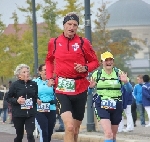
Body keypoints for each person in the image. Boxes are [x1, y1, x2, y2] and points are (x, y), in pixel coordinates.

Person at [45, 12, 99, 142]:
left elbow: (95, 62)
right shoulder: (54, 42)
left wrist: (85, 68)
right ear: (64, 25)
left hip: (80, 88)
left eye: (75, 25)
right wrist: (49, 77)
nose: (72, 27)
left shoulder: (83, 42)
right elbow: (48, 60)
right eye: (69, 24)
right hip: (62, 88)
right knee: (69, 127)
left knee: (75, 129)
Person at [89, 51, 133, 142]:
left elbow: (129, 90)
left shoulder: (119, 73)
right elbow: (89, 92)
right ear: (102, 62)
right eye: (106, 60)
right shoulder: (97, 74)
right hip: (101, 104)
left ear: (113, 61)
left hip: (117, 104)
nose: (109, 62)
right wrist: (90, 88)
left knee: (113, 134)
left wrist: (126, 82)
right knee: (108, 133)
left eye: (111, 60)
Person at [7, 64, 38, 142]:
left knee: (30, 134)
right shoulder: (14, 85)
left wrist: (37, 100)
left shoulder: (33, 84)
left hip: (30, 113)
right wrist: (17, 101)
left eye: (27, 71)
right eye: (24, 72)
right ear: (19, 75)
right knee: (19, 136)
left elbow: (35, 96)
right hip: (18, 114)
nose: (27, 73)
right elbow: (8, 98)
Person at [33, 64, 56, 142]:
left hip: (51, 108)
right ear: (40, 72)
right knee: (44, 131)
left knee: (49, 132)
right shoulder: (35, 82)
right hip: (39, 109)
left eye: (49, 70)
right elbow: (28, 93)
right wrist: (35, 99)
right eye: (45, 70)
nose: (47, 72)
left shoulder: (54, 81)